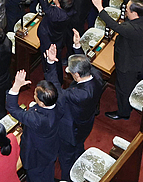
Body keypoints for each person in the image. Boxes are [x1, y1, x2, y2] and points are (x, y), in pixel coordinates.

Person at [43, 32, 104, 179]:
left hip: (71, 130)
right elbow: (86, 63)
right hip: (86, 123)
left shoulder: (79, 94)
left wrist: (51, 63)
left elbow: (56, 91)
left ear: (76, 75)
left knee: (66, 158)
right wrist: (78, 47)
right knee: (78, 145)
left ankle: (67, 177)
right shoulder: (96, 76)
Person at [92, 0, 143, 120]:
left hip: (127, 64)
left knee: (122, 89)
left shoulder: (132, 29)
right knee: (128, 85)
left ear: (134, 13)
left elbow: (113, 25)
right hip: (136, 58)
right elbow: (133, 2)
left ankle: (124, 112)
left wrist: (99, 8)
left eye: (128, 10)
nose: (126, 12)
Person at [5, 70, 59, 182]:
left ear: (42, 103)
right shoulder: (57, 103)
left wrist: (16, 86)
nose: (33, 94)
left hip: (36, 158)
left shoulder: (37, 119)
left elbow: (12, 108)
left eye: (35, 94)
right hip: (49, 150)